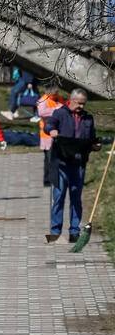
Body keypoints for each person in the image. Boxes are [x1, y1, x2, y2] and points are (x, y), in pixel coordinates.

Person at [44, 88, 101, 243]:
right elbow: (48, 125)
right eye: (79, 103)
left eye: (84, 104)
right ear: (71, 100)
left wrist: (95, 146)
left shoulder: (88, 118)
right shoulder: (60, 113)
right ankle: (55, 232)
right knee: (59, 197)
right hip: (61, 162)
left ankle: (74, 231)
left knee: (76, 197)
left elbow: (91, 138)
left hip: (78, 163)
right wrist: (52, 130)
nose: (81, 107)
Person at [35, 85, 64, 187]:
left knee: (58, 157)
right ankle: (47, 180)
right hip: (47, 135)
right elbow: (42, 112)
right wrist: (57, 110)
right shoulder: (43, 101)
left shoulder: (60, 99)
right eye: (54, 94)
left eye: (57, 93)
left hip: (59, 133)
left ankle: (58, 178)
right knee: (49, 158)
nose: (56, 95)